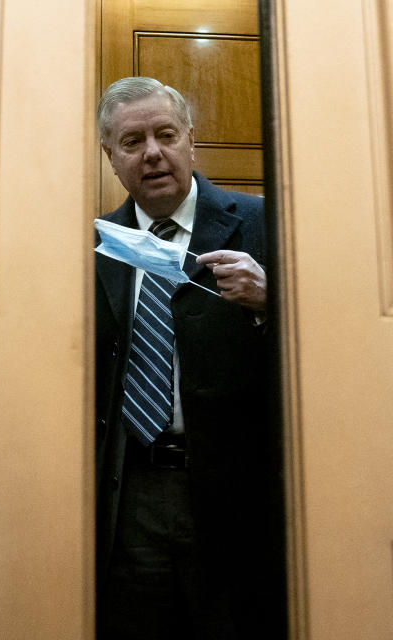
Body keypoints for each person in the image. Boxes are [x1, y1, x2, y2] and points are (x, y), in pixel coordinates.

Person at [94, 76, 277, 639]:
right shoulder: (93, 245)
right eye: (131, 142)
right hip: (130, 497)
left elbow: (339, 347)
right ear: (111, 158)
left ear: (190, 140)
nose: (152, 152)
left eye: (165, 134)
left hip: (237, 491)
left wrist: (274, 300)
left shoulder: (267, 223)